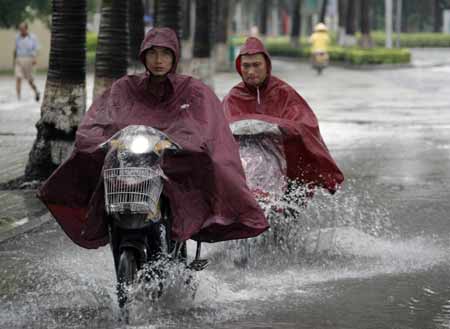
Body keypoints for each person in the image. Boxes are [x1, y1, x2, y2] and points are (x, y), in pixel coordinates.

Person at [37, 28, 269, 249]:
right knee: (91, 163)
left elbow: (206, 125)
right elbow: (101, 118)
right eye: (153, 53)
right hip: (131, 163)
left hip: (174, 160)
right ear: (143, 56)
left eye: (165, 53)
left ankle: (192, 226)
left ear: (174, 57)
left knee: (213, 164)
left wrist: (190, 142)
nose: (159, 59)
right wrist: (96, 139)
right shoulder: (125, 87)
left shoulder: (192, 89)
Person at [222, 37, 344, 198]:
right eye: (246, 66)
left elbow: (306, 125)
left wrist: (279, 127)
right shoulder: (233, 97)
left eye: (256, 65)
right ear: (240, 67)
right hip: (248, 168)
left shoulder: (283, 92)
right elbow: (219, 131)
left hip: (287, 166)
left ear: (267, 66)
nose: (251, 71)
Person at [14, 22, 40, 102]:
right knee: (18, 77)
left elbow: (35, 49)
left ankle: (36, 92)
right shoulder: (17, 37)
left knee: (30, 80)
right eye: (20, 29)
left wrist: (34, 58)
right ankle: (18, 98)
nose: (21, 30)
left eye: (22, 29)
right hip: (19, 59)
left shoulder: (32, 37)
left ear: (26, 29)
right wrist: (14, 60)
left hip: (29, 59)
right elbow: (16, 49)